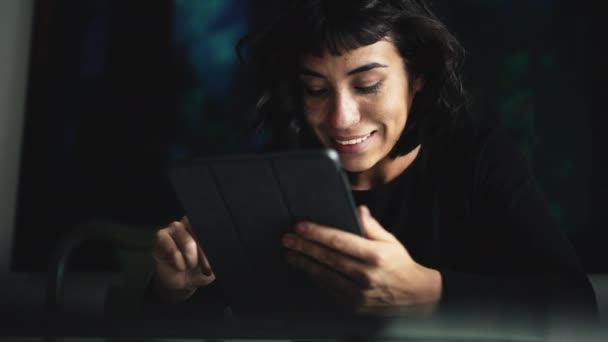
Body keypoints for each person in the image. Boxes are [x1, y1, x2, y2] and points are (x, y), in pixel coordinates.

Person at [149, 0, 597, 321]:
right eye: (316, 90)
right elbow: (198, 315)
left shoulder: (478, 158)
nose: (342, 119)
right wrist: (175, 287)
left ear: (416, 76)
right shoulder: (272, 177)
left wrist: (427, 292)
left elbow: (574, 302)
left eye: (367, 85)